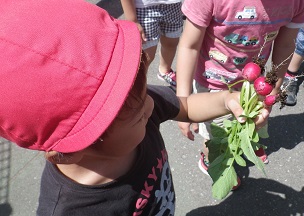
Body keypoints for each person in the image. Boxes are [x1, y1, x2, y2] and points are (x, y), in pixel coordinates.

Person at [0, 0, 269, 214]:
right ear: (67, 154)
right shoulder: (70, 209)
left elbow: (184, 105)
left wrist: (226, 100)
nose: (152, 106)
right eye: (140, 115)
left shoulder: (133, 104)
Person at [175, 0, 304, 183]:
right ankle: (213, 161)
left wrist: (273, 91)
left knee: (253, 121)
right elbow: (189, 45)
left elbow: (286, 44)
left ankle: (248, 141)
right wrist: (183, 104)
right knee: (217, 136)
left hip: (255, 83)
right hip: (213, 84)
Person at [120, 0, 184, 87]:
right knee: (146, 55)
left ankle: (165, 70)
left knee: (171, 42)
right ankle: (136, 86)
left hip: (174, 5)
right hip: (144, 8)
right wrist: (132, 20)